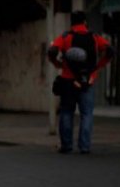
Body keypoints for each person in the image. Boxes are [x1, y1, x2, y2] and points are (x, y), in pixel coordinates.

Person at [47, 11, 114, 154]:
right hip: (87, 81)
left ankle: (67, 146)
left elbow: (52, 51)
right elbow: (110, 51)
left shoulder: (65, 37)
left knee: (66, 112)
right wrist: (99, 66)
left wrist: (57, 64)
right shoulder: (95, 37)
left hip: (67, 81)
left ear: (72, 23)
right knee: (87, 114)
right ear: (84, 22)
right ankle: (84, 147)